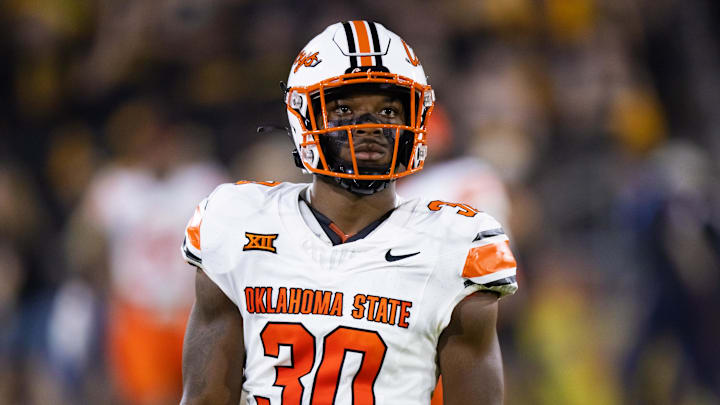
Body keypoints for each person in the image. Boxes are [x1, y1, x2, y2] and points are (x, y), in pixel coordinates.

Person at [180, 21, 518, 405]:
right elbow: (204, 398)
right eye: (344, 109)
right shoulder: (238, 222)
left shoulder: (454, 247)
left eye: (388, 110)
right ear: (304, 117)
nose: (370, 126)